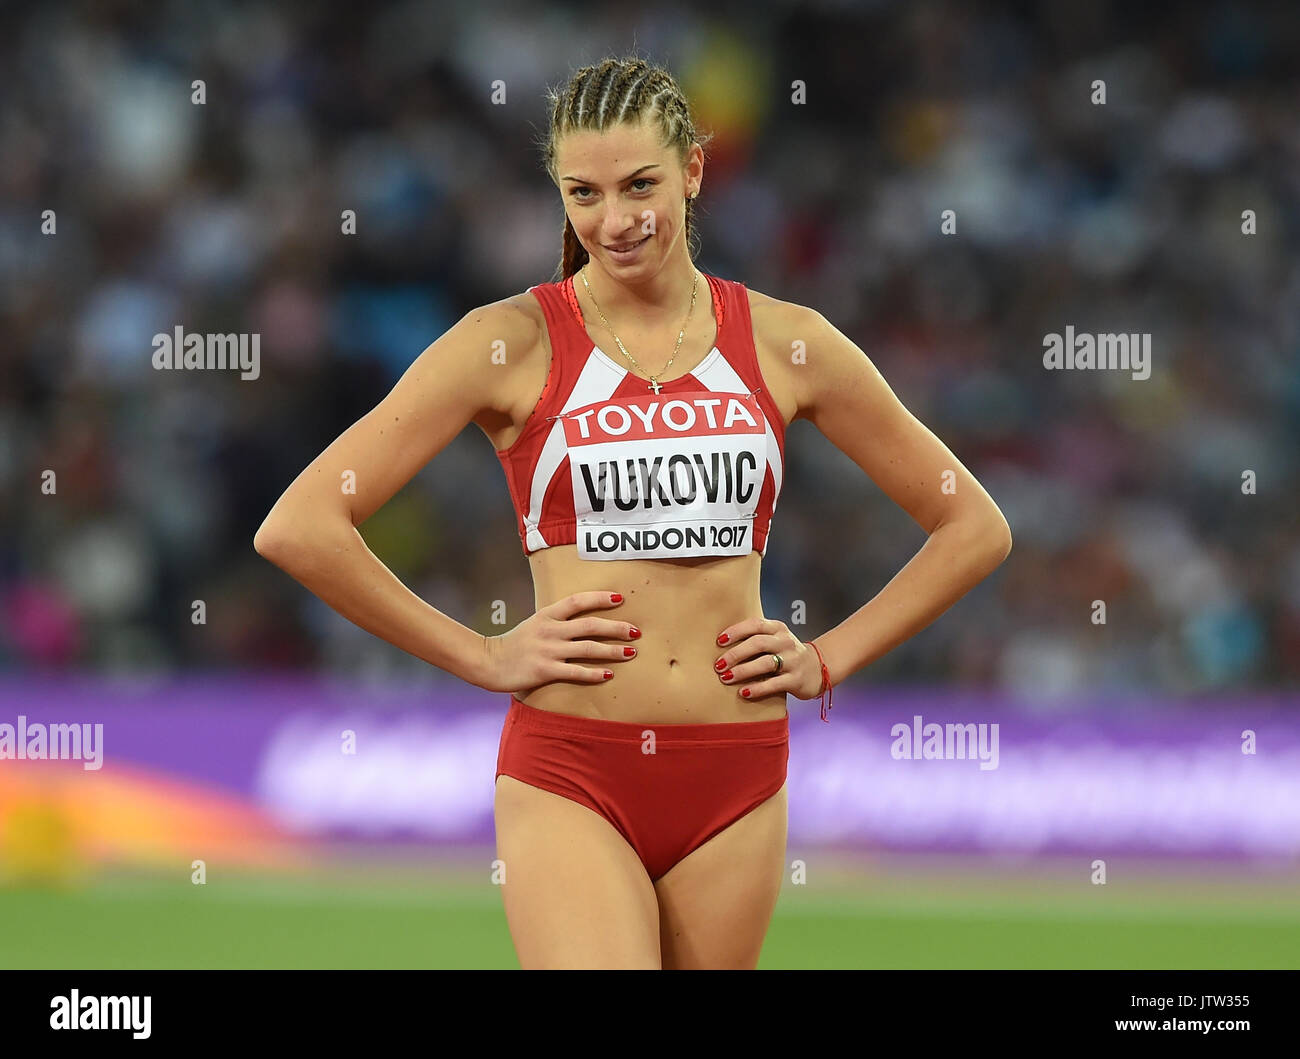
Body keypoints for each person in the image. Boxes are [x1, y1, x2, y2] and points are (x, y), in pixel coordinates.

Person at [253, 55, 1012, 970]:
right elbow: (300, 525)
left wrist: (826, 657)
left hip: (738, 777)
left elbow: (973, 526)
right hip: (575, 766)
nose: (614, 220)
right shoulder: (508, 343)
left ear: (694, 170)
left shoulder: (788, 342)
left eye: (641, 184)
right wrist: (482, 652)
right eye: (584, 193)